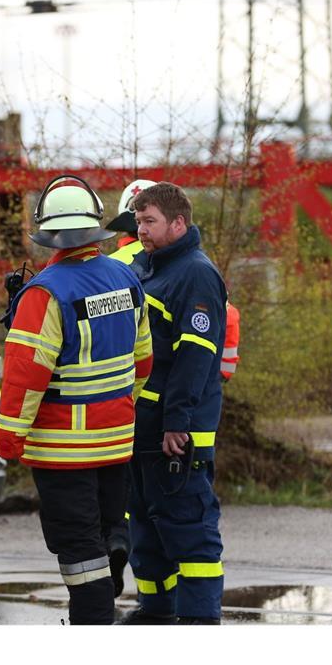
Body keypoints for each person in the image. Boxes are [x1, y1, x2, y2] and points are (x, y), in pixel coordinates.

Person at [0, 174, 153, 624]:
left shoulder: (46, 292)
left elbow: (26, 377)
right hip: (117, 442)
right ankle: (111, 565)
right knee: (102, 536)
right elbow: (143, 361)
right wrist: (118, 408)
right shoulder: (126, 278)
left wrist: (9, 441)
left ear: (50, 233)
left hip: (63, 453)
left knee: (81, 556)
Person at [104, 177, 240, 598]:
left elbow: (194, 360)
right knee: (145, 522)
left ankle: (199, 616)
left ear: (178, 224)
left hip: (178, 432)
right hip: (147, 425)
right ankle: (155, 608)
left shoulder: (195, 274)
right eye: (138, 221)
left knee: (187, 527)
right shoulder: (149, 266)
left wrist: (176, 422)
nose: (140, 229)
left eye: (149, 221)